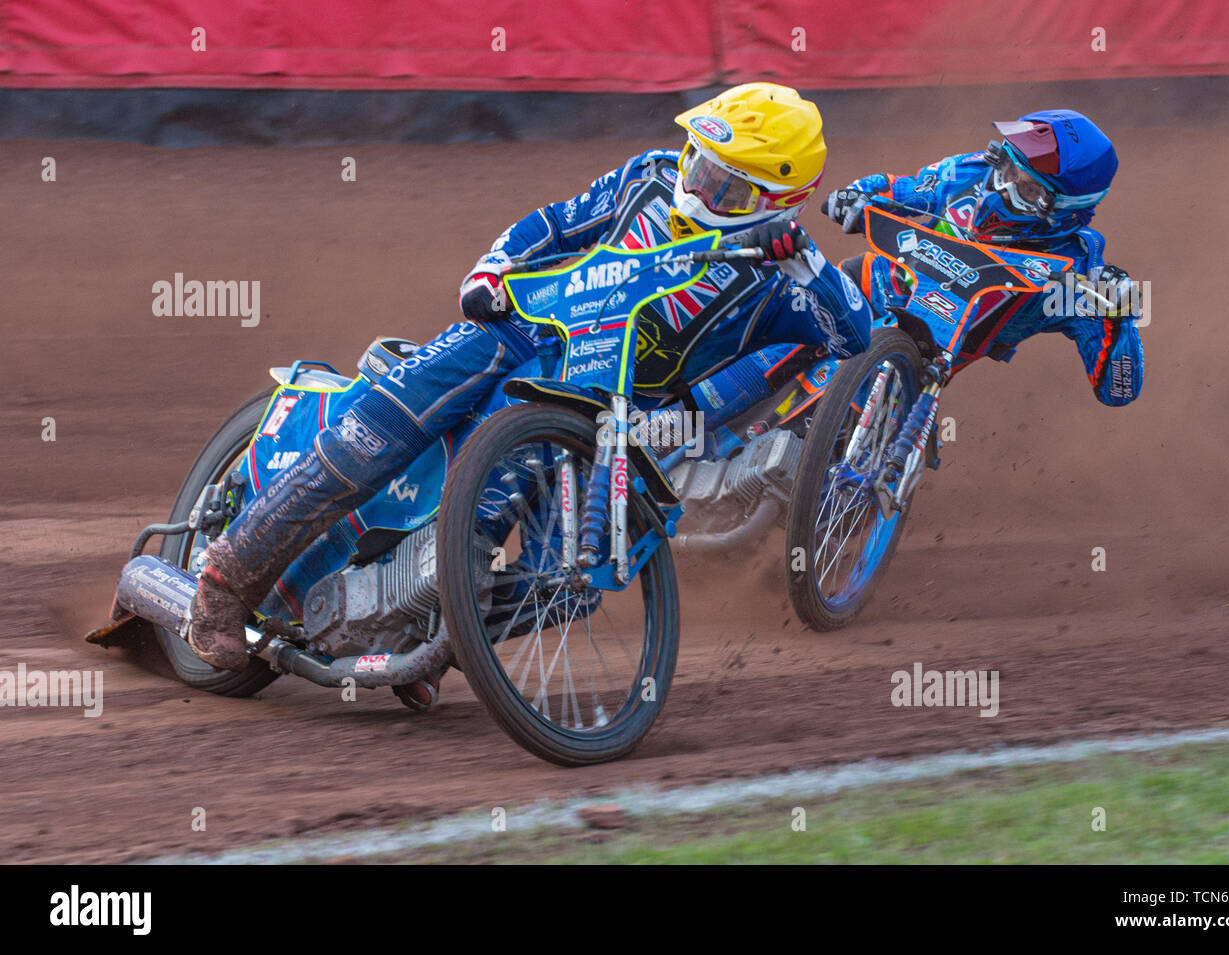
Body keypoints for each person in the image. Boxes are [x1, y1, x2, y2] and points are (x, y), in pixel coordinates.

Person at [186, 82, 872, 671]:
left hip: (601, 418)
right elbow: (558, 222)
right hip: (517, 329)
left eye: (721, 182)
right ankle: (222, 586)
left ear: (776, 200)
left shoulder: (782, 285)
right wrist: (491, 269)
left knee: (567, 582)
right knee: (376, 436)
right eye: (698, 159)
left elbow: (856, 334)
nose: (694, 182)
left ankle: (432, 640)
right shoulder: (653, 175)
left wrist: (801, 258)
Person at [823, 109, 1143, 404]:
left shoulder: (1075, 271)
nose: (1005, 188)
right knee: (783, 329)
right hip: (867, 286)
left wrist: (1121, 317)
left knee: (848, 440)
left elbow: (1118, 391)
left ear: (1064, 210)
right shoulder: (973, 172)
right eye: (1009, 169)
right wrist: (857, 194)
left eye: (1029, 190)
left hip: (920, 367)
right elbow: (906, 188)